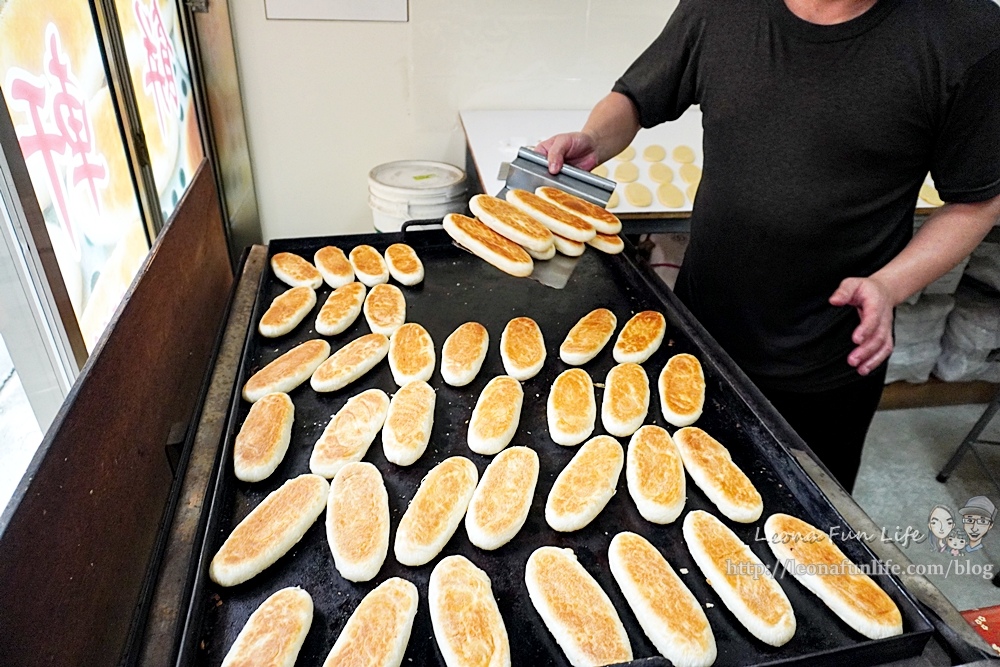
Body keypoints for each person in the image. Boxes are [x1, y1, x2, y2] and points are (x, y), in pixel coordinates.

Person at [538, 0, 1000, 492]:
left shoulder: (965, 32)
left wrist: (890, 285)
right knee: (682, 500)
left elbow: (979, 201)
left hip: (827, 362)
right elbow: (635, 98)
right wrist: (593, 137)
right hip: (700, 334)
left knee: (804, 536)